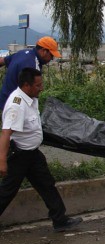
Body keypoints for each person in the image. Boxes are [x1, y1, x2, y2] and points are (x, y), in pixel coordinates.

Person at [0, 67, 82, 232]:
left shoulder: (31, 98)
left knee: (47, 185)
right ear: (26, 85)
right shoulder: (17, 105)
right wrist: (2, 161)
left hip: (32, 154)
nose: (41, 88)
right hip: (19, 155)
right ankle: (60, 219)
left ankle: (60, 220)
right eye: (38, 85)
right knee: (8, 190)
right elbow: (6, 134)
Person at [0, 36, 61, 110]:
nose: (51, 59)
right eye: (51, 55)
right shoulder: (32, 65)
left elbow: (2, 61)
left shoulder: (22, 53)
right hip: (17, 105)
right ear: (44, 51)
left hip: (5, 100)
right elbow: (30, 91)